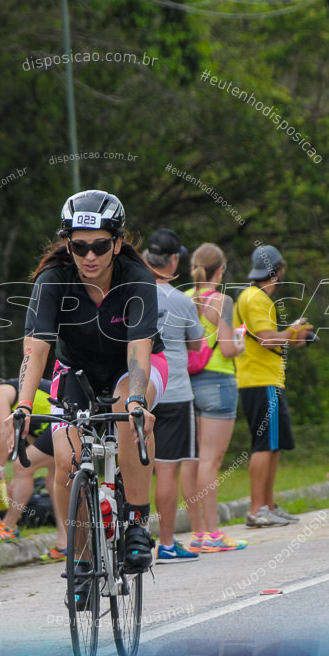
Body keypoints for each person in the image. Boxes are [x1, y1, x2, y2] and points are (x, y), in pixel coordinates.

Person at [15, 190, 169, 606]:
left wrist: (137, 400)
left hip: (131, 367)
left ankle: (136, 524)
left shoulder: (137, 277)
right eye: (79, 246)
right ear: (68, 245)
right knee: (68, 458)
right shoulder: (53, 281)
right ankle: (81, 558)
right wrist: (24, 404)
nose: (89, 256)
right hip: (76, 372)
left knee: (127, 413)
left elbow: (139, 348)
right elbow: (37, 349)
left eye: (100, 245)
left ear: (117, 243)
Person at [233, 245, 312, 528]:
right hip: (260, 380)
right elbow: (266, 338)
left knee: (273, 445)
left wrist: (293, 336)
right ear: (277, 271)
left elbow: (264, 338)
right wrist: (292, 331)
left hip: (266, 379)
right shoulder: (255, 298)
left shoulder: (254, 297)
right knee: (264, 445)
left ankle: (268, 505)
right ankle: (257, 509)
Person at [142, 229, 205, 563]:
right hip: (175, 391)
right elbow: (197, 345)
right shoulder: (181, 300)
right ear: (174, 260)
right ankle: (165, 544)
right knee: (167, 471)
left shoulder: (130, 293)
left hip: (138, 390)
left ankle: (132, 541)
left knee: (133, 469)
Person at [183, 243, 249, 550]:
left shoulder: (183, 298)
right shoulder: (222, 301)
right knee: (211, 460)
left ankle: (197, 533)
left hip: (187, 384)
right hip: (218, 382)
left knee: (191, 460)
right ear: (219, 271)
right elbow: (226, 348)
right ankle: (213, 534)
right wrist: (240, 342)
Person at [0, 379, 67, 561]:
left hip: (63, 414)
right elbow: (37, 441)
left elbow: (4, 433)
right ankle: (65, 544)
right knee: (53, 482)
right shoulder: (17, 402)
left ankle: (8, 527)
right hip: (59, 416)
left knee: (22, 466)